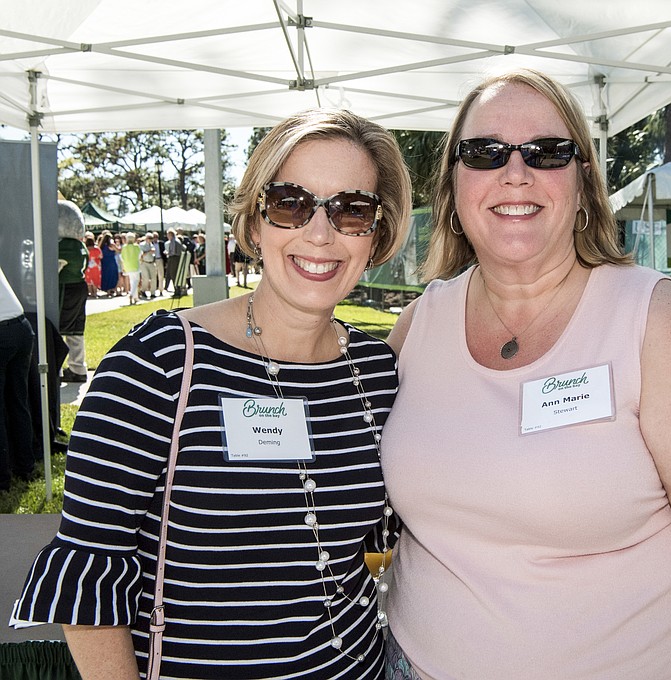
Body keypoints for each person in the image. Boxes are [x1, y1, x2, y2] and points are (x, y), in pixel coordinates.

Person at [380, 69, 671, 680]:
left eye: (547, 152)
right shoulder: (420, 324)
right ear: (453, 187)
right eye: (484, 153)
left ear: (583, 185)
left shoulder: (658, 323)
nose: (514, 173)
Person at [12, 108, 412, 679]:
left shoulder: (375, 371)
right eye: (291, 203)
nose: (320, 233)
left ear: (377, 234)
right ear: (253, 224)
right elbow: (92, 570)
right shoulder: (159, 364)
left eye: (352, 209)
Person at [0, 264, 35, 491]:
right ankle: (25, 467)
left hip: (3, 331)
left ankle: (3, 479)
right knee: (18, 402)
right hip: (21, 326)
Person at [57, 200, 89, 383]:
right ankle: (78, 367)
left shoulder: (64, 246)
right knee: (76, 330)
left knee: (59, 328)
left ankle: (58, 367)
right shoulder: (79, 245)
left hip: (65, 288)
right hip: (79, 287)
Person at [120, 232, 142, 305]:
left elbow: (122, 258)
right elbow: (140, 256)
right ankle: (131, 294)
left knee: (132, 281)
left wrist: (123, 266)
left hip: (127, 266)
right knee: (136, 281)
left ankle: (135, 298)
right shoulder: (136, 247)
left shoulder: (124, 247)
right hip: (135, 265)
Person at [98, 230, 119, 296]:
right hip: (111, 262)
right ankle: (111, 289)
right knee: (113, 275)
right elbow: (118, 250)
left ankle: (107, 289)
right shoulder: (111, 245)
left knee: (105, 275)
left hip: (104, 262)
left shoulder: (101, 246)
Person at [139, 232, 157, 298]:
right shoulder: (142, 245)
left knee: (153, 278)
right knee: (145, 278)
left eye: (151, 238)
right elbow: (142, 254)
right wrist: (149, 251)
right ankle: (143, 290)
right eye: (149, 238)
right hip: (144, 262)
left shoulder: (152, 244)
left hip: (151, 262)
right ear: (146, 238)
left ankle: (153, 292)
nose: (150, 240)